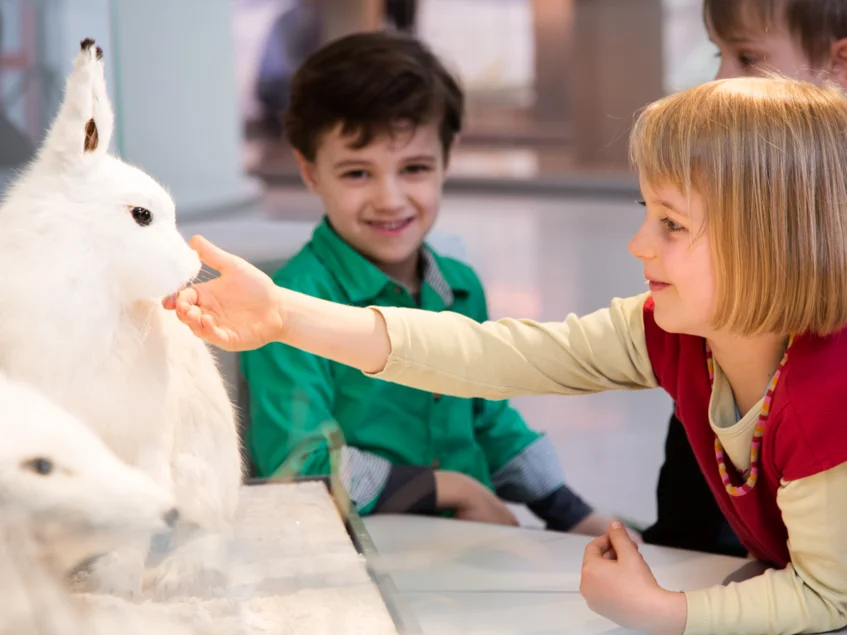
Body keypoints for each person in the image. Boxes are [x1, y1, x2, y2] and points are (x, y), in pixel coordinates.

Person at [166, 75, 847, 635]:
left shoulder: (827, 396)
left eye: (670, 224)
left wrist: (664, 610)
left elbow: (828, 599)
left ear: (768, 242)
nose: (638, 243)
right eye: (646, 212)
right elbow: (492, 355)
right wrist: (284, 314)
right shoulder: (671, 333)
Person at [242, 31, 621, 536]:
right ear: (310, 172)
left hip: (472, 544)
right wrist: (454, 491)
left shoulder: (460, 287)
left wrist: (574, 516)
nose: (390, 198)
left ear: (447, 158)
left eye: (415, 168)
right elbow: (300, 466)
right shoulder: (286, 307)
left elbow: (489, 421)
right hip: (370, 554)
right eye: (358, 173)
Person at [643, 0, 847, 557]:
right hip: (718, 393)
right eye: (720, 54)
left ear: (840, 63)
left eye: (747, 57)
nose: (721, 78)